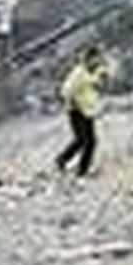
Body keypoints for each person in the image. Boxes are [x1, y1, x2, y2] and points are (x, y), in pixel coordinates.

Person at [56, 47, 107, 176]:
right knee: (85, 140)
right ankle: (70, 164)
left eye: (98, 58)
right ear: (88, 59)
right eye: (94, 58)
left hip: (88, 111)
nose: (96, 61)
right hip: (77, 111)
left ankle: (73, 165)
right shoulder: (78, 72)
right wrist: (73, 104)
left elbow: (95, 83)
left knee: (86, 141)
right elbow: (66, 90)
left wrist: (102, 77)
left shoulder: (92, 72)